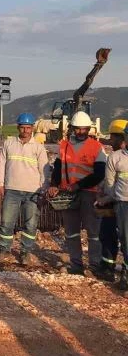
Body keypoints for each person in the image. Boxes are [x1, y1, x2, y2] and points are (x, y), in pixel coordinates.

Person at [47, 111, 107, 275]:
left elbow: (99, 174)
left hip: (89, 193)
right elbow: (58, 168)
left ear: (88, 129)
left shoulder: (96, 147)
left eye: (84, 129)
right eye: (78, 129)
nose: (81, 132)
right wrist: (54, 185)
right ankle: (76, 265)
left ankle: (95, 265)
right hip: (68, 193)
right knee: (71, 232)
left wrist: (78, 186)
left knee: (93, 233)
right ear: (72, 128)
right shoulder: (64, 145)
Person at [0, 113, 50, 266]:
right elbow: (2, 164)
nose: (25, 130)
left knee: (30, 224)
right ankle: (4, 250)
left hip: (33, 191)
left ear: (32, 128)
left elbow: (44, 170)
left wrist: (43, 189)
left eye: (28, 128)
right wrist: (0, 183)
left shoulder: (38, 148)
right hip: (12, 189)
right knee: (7, 222)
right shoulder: (9, 144)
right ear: (18, 127)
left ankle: (26, 252)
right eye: (23, 127)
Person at [97, 119, 127, 282]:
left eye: (113, 137)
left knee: (124, 238)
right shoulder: (114, 157)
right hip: (114, 201)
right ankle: (107, 266)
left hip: (119, 201)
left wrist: (106, 197)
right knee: (107, 234)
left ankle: (121, 272)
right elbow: (109, 181)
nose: (111, 140)